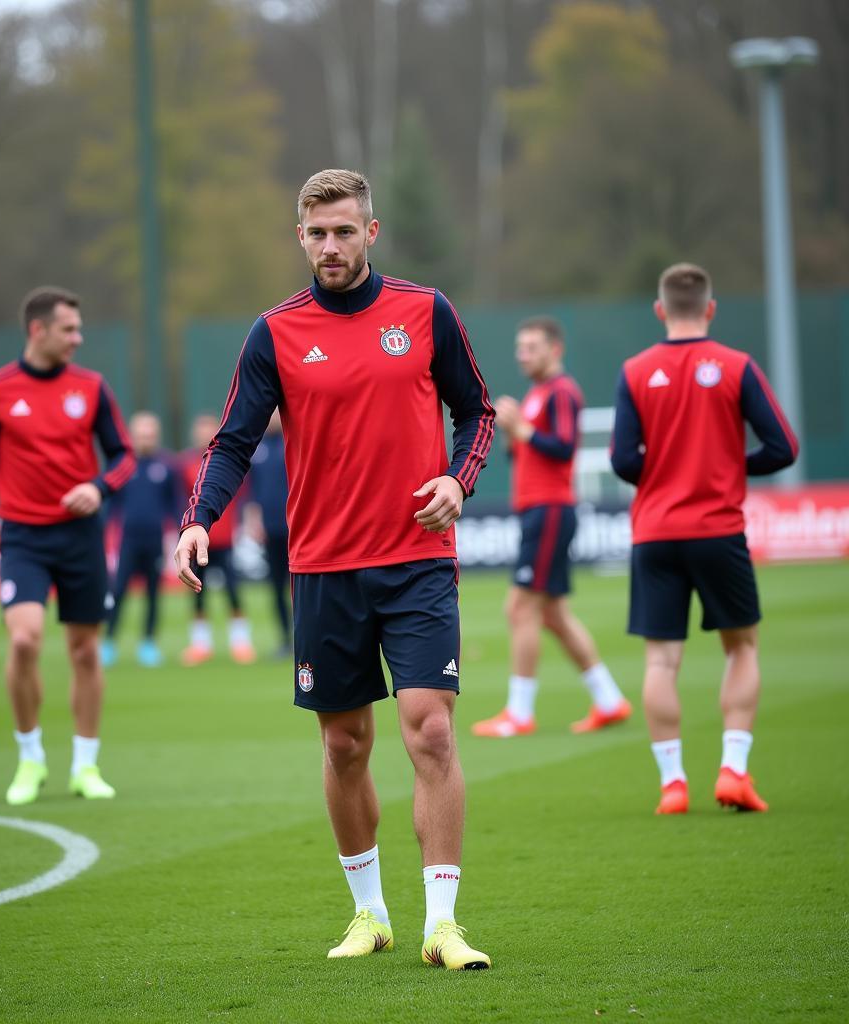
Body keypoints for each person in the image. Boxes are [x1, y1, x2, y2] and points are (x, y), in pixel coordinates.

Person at [174, 169, 495, 969]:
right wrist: (196, 521)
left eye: (344, 231)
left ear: (371, 233)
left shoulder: (425, 312)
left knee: (430, 728)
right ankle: (370, 914)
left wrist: (459, 480)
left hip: (417, 558)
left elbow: (478, 412)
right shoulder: (273, 333)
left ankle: (444, 924)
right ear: (300, 237)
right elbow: (235, 440)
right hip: (323, 567)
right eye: (317, 233)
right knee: (346, 746)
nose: (330, 246)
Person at [610, 263, 798, 815]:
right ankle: (734, 771)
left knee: (661, 663)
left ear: (661, 310)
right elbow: (783, 446)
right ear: (710, 309)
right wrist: (727, 467)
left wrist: (664, 475)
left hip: (656, 535)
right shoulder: (736, 365)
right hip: (718, 531)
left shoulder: (636, 370)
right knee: (741, 648)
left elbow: (622, 459)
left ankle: (673, 785)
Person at [0, 286, 135, 805]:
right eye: (69, 329)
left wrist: (98, 487)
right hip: (22, 537)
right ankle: (30, 756)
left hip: (81, 537)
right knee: (24, 641)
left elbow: (123, 456)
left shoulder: (92, 387)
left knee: (84, 651)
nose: (77, 339)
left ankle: (85, 765)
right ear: (38, 330)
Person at [472, 317, 629, 739]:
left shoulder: (562, 392)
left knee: (519, 608)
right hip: (538, 510)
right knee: (554, 615)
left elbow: (562, 449)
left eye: (532, 347)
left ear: (555, 350)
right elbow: (528, 452)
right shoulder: (539, 394)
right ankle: (610, 700)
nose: (523, 355)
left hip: (551, 509)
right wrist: (514, 434)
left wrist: (522, 428)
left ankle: (520, 713)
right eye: (520, 348)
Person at [101, 411, 179, 668]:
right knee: (118, 591)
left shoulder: (166, 466)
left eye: (150, 434)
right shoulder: (122, 465)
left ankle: (148, 643)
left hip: (154, 541)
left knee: (154, 594)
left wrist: (176, 536)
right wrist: (105, 537)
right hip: (128, 541)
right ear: (132, 436)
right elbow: (110, 506)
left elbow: (175, 505)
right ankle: (109, 642)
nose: (146, 439)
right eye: (142, 434)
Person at [178, 413, 257, 665]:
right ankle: (201, 645)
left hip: (225, 540)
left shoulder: (228, 465)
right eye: (200, 430)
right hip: (198, 541)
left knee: (233, 591)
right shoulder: (186, 464)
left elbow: (243, 496)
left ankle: (241, 643)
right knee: (198, 594)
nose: (204, 434)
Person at [245, 409, 292, 657]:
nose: (272, 417)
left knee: (301, 588)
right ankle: (285, 638)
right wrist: (254, 520)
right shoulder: (258, 448)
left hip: (297, 529)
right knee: (276, 587)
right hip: (270, 529)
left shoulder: (293, 440)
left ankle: (306, 637)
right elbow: (252, 492)